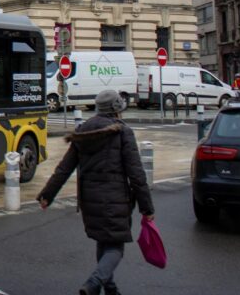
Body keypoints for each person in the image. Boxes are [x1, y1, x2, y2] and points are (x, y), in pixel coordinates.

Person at [36, 89, 154, 295]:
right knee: (115, 246)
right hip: (116, 198)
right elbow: (136, 174)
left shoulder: (83, 131)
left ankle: (110, 288)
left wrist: (47, 195)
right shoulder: (122, 132)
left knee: (103, 240)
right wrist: (147, 208)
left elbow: (64, 168)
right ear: (117, 109)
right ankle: (94, 283)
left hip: (89, 200)